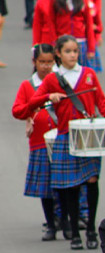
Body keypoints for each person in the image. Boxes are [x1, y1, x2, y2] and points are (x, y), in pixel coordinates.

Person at [28, 34, 105, 250]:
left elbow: (102, 104)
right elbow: (33, 102)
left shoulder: (88, 74)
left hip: (87, 136)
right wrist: (48, 97)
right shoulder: (52, 78)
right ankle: (75, 233)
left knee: (91, 181)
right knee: (69, 186)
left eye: (75, 51)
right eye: (68, 51)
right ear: (58, 53)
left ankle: (90, 229)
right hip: (65, 136)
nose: (72, 55)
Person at [12, 44, 58, 241]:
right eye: (42, 62)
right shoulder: (27, 85)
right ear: (34, 62)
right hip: (39, 141)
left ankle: (65, 219)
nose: (46, 66)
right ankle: (51, 223)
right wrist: (35, 106)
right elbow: (18, 111)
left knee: (64, 184)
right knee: (45, 187)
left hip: (61, 139)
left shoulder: (59, 81)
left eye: (50, 62)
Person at [47, 0, 97, 66]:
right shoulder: (54, 2)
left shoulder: (84, 2)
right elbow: (51, 22)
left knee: (81, 70)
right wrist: (53, 42)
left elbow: (89, 25)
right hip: (62, 41)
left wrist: (91, 48)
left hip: (80, 42)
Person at [86, 0, 103, 72]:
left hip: (89, 39)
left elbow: (98, 24)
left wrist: (98, 35)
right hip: (75, 38)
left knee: (89, 72)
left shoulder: (93, 4)